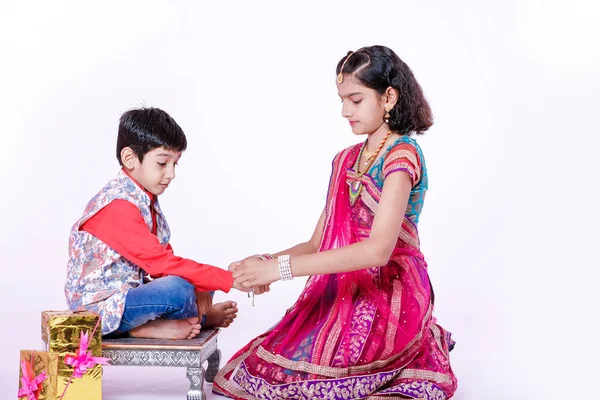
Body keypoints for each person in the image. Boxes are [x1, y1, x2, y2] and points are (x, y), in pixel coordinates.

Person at [213, 45, 457, 399]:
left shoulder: (402, 155)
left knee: (322, 383)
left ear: (388, 97)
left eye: (355, 100)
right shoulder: (345, 160)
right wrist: (263, 263)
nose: (345, 111)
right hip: (342, 285)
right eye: (342, 100)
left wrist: (280, 270)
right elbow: (317, 244)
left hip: (389, 293)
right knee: (249, 372)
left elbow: (377, 251)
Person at [65, 107, 243, 340]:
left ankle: (186, 318)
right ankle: (143, 328)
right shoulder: (116, 204)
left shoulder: (144, 198)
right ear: (130, 158)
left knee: (198, 284)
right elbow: (159, 264)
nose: (171, 174)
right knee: (177, 290)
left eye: (174, 164)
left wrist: (202, 287)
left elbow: (163, 258)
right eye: (162, 163)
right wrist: (229, 279)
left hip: (131, 295)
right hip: (100, 309)